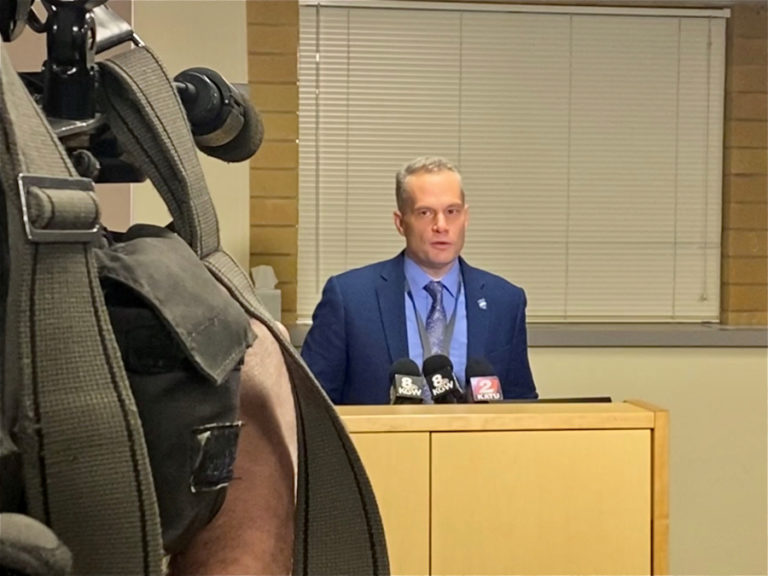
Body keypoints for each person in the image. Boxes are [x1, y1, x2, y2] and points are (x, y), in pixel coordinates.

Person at [301, 156, 537, 404]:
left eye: (452, 212)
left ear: (465, 218)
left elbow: (522, 403)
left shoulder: (505, 301)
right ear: (400, 223)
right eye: (425, 213)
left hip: (478, 443)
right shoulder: (349, 299)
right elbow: (310, 404)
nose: (441, 225)